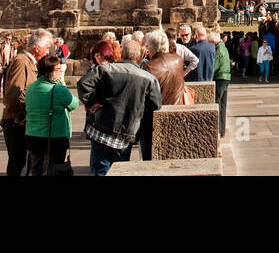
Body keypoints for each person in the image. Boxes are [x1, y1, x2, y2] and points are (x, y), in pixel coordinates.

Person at [77, 38, 162, 175]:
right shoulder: (149, 79)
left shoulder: (104, 70)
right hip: (127, 130)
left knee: (101, 169)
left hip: (101, 127)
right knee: (121, 170)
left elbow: (83, 84)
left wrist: (92, 102)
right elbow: (156, 105)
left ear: (121, 54)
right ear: (139, 57)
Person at [2, 29, 51, 176]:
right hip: (16, 122)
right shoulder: (21, 61)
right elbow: (13, 95)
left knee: (24, 165)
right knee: (19, 166)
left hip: (22, 121)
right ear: (37, 48)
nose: (48, 52)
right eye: (47, 47)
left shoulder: (29, 62)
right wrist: (22, 119)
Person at [139, 30, 195, 159]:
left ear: (152, 47)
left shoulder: (150, 67)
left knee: (150, 153)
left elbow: (144, 94)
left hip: (154, 115)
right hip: (176, 109)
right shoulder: (178, 60)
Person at [24, 55, 79, 175]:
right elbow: (74, 103)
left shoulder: (31, 88)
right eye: (57, 69)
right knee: (52, 170)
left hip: (33, 136)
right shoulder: (58, 89)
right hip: (54, 137)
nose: (60, 72)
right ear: (48, 71)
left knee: (36, 169)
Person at [211, 31, 231, 138]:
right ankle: (222, 130)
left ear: (213, 41)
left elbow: (216, 65)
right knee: (223, 105)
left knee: (217, 103)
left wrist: (209, 74)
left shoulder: (218, 49)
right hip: (226, 77)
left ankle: (218, 130)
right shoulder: (223, 46)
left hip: (220, 77)